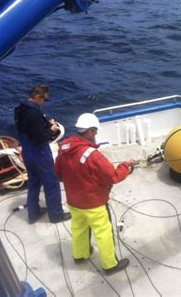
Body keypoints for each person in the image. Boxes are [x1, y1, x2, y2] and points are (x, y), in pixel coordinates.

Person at [54, 113, 133, 275]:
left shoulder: (63, 149)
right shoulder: (92, 155)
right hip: (94, 203)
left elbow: (59, 174)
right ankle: (110, 265)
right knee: (103, 232)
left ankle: (80, 255)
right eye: (95, 132)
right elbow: (112, 176)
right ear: (90, 131)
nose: (96, 135)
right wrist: (126, 166)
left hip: (73, 202)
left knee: (78, 228)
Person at [14, 84, 71, 224]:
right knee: (51, 183)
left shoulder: (19, 109)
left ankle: (33, 214)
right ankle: (56, 215)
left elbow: (29, 129)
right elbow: (40, 137)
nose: (44, 102)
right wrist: (51, 129)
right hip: (39, 153)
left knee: (34, 182)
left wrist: (45, 124)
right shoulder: (35, 114)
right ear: (37, 97)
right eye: (44, 100)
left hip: (27, 153)